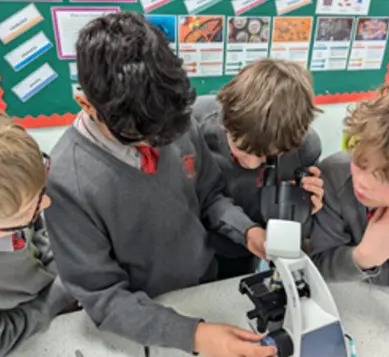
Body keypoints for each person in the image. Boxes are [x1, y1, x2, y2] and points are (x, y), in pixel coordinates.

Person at [45, 12, 275, 357]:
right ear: (87, 105)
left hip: (204, 287)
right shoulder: (67, 182)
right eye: (142, 139)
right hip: (145, 318)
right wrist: (194, 335)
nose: (159, 145)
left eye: (167, 134)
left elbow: (210, 195)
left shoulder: (169, 119)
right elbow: (104, 298)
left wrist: (247, 232)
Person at [0, 93, 76, 356]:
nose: (46, 204)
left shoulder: (7, 203)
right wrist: (61, 293)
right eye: (28, 211)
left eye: (40, 193)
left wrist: (64, 266)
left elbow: (35, 232)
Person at [193, 58, 324, 279]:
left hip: (247, 251)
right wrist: (247, 231)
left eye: (267, 156)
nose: (253, 163)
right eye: (243, 149)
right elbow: (204, 197)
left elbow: (300, 226)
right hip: (195, 243)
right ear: (226, 121)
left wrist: (305, 205)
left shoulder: (303, 146)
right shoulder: (195, 124)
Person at [309, 76, 389, 288]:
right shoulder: (334, 175)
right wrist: (363, 258)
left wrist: (355, 263)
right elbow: (316, 264)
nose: (362, 182)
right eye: (361, 162)